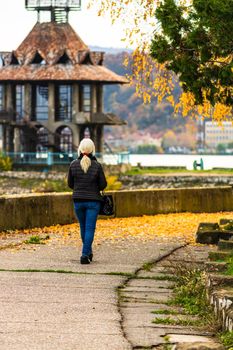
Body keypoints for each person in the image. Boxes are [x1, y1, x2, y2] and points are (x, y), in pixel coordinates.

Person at [67, 138, 107, 264]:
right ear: (92, 150)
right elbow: (103, 185)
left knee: (83, 227)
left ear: (80, 149)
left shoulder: (73, 164)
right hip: (93, 202)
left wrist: (79, 188)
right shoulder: (97, 166)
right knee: (90, 228)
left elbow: (70, 184)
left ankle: (88, 252)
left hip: (78, 200)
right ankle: (85, 255)